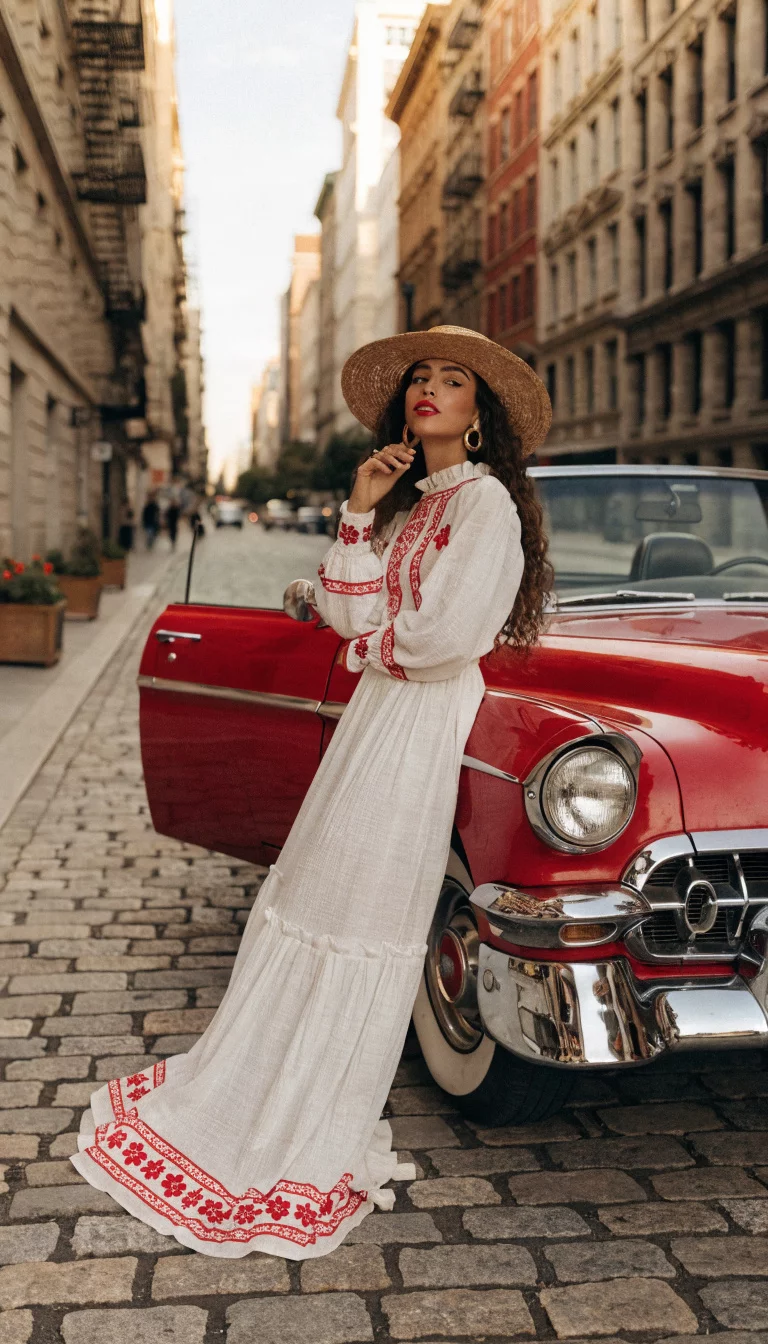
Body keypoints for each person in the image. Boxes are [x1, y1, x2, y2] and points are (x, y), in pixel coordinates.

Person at [70, 326, 553, 1259]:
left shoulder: (486, 505)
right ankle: (260, 1086)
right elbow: (349, 608)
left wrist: (369, 644)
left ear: (480, 416)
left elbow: (443, 635)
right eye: (420, 378)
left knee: (366, 907)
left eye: (452, 381)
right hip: (382, 716)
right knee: (318, 890)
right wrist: (360, 508)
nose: (430, 390)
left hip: (419, 718)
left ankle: (315, 1115)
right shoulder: (415, 507)